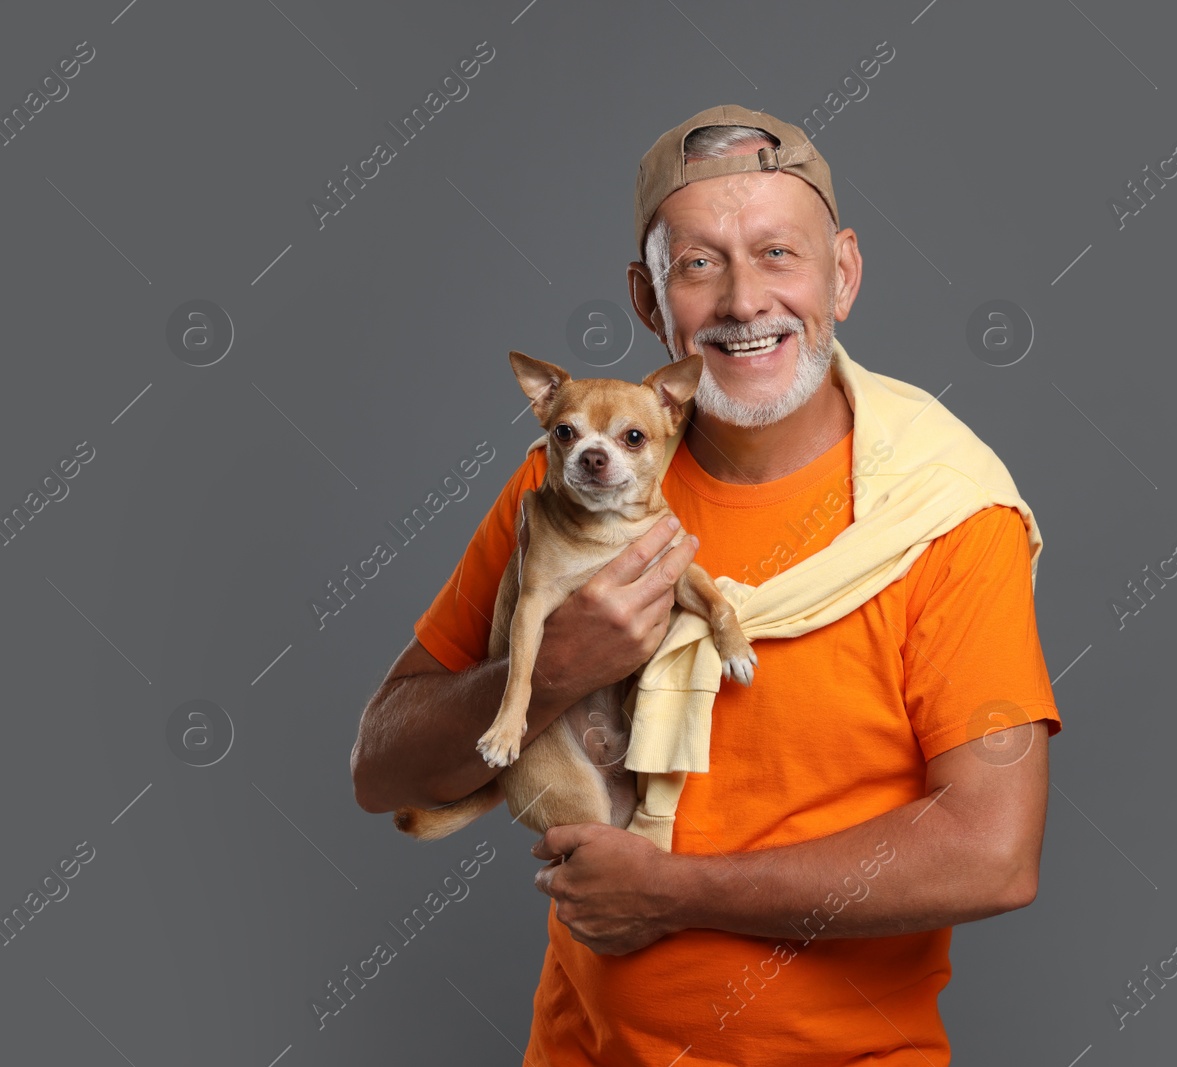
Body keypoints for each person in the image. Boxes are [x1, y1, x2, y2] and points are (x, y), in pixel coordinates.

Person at [351, 103, 1061, 1066]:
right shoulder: (565, 485)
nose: (741, 300)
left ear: (842, 274)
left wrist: (673, 888)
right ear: (648, 301)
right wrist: (553, 669)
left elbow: (992, 851)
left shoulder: (944, 512)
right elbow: (385, 772)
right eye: (699, 264)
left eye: (778, 253)